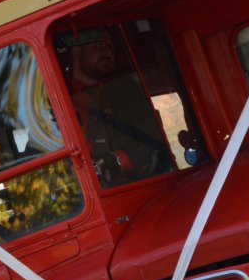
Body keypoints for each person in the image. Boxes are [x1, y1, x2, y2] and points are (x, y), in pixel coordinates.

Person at [65, 27, 175, 186]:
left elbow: (153, 136)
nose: (108, 53)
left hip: (135, 184)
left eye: (111, 48)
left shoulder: (125, 90)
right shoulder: (56, 99)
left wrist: (120, 160)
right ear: (77, 50)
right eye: (100, 46)